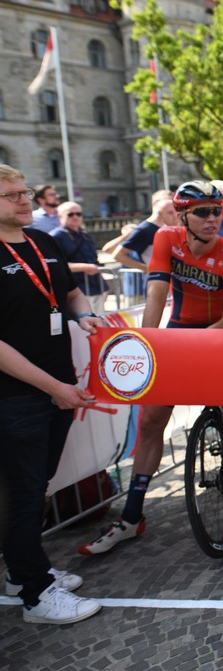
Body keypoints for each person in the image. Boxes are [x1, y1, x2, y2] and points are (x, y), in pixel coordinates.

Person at [79, 181, 223, 557]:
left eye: (216, 211)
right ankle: (131, 516)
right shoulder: (166, 240)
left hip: (217, 334)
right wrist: (149, 343)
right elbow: (156, 294)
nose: (212, 219)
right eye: (202, 212)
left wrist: (184, 346)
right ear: (182, 215)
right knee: (150, 423)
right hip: (177, 333)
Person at [0, 165, 104, 624]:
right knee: (20, 494)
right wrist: (54, 388)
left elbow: (72, 294)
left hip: (58, 385)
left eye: (25, 192)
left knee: (34, 488)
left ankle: (23, 574)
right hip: (17, 396)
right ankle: (37, 597)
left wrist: (84, 317)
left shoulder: (44, 241)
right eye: (12, 195)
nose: (26, 200)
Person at [49, 202, 108, 313]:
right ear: (60, 216)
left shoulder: (85, 235)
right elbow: (54, 265)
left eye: (78, 214)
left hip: (96, 285)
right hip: (76, 289)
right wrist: (83, 267)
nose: (75, 217)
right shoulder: (55, 236)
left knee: (100, 319)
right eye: (70, 214)